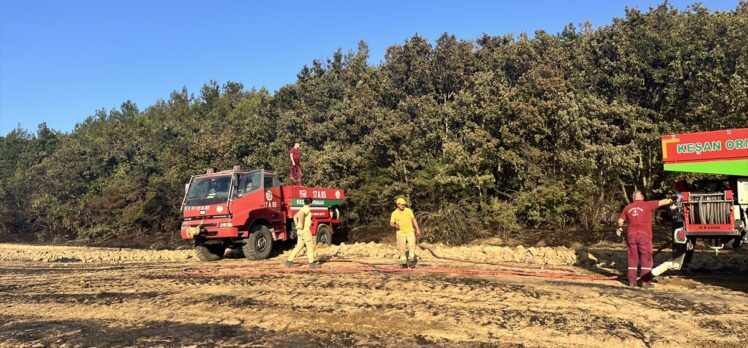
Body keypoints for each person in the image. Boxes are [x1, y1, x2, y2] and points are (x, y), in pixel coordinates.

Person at [616, 190, 672, 288]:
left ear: (633, 198)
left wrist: (619, 228)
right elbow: (663, 202)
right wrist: (672, 198)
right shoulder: (647, 205)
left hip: (631, 236)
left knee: (632, 258)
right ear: (642, 197)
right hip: (644, 235)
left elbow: (620, 221)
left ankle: (632, 282)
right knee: (646, 258)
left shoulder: (627, 207)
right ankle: (645, 282)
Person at [286, 198, 320, 268]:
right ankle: (311, 263)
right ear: (310, 203)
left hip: (300, 231)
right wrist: (302, 225)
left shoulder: (302, 208)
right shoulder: (307, 208)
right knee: (309, 246)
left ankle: (289, 261)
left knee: (299, 246)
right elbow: (302, 215)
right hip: (305, 230)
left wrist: (297, 225)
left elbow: (295, 217)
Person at [389, 197, 421, 268]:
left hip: (410, 231)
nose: (403, 206)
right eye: (402, 204)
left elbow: (413, 219)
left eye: (404, 204)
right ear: (398, 204)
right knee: (402, 248)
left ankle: (412, 262)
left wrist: (417, 229)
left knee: (412, 246)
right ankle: (404, 263)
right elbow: (391, 223)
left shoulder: (408, 211)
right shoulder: (394, 213)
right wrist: (395, 225)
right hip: (400, 233)